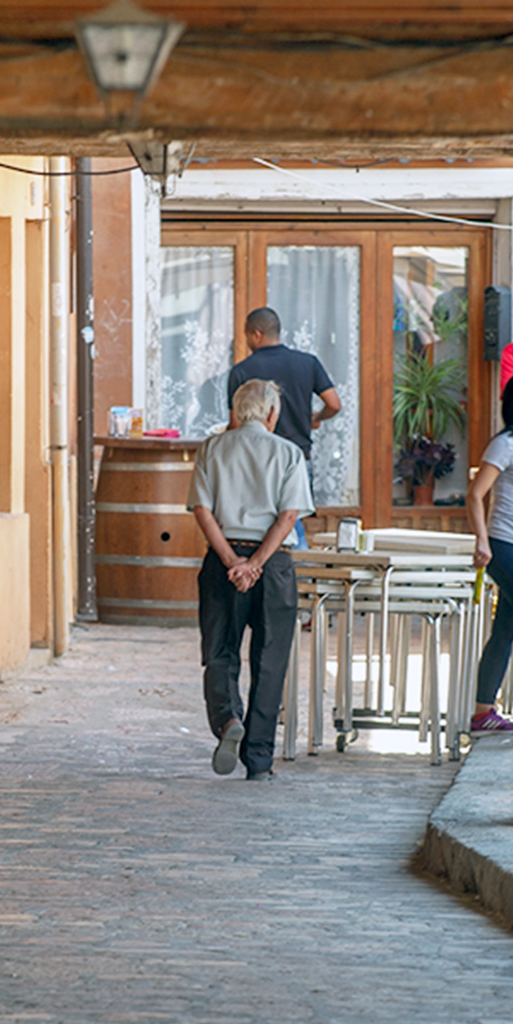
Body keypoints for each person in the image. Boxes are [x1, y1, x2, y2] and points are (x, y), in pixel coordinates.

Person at [188, 379, 315, 781]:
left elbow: (202, 511)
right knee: (270, 659)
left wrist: (232, 561)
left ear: (235, 411)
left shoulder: (211, 449)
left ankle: (227, 721)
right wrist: (256, 563)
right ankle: (258, 759)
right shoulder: (289, 453)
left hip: (222, 563)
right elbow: (289, 516)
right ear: (272, 414)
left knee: (220, 650)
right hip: (273, 566)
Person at [466, 366, 513, 734]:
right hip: (505, 546)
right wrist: (481, 539)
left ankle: (482, 714)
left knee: (506, 629)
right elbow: (476, 495)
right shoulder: (505, 445)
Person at [227, 307, 341, 459]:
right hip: (298, 456)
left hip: (259, 458)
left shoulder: (241, 370)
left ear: (256, 335)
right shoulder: (308, 363)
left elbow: (236, 424)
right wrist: (315, 417)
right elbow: (334, 405)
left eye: (247, 336)